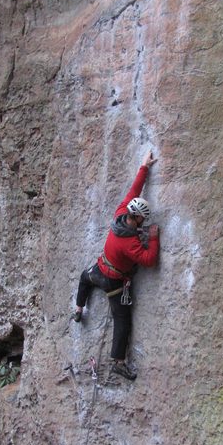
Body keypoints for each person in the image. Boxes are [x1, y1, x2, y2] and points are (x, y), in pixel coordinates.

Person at [73, 149, 160, 380]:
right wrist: (152, 237)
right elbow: (149, 261)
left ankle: (79, 310)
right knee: (122, 320)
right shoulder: (130, 244)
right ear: (139, 219)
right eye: (144, 219)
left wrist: (144, 167)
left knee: (84, 277)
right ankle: (118, 363)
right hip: (113, 282)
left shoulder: (120, 213)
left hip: (98, 270)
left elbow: (134, 190)